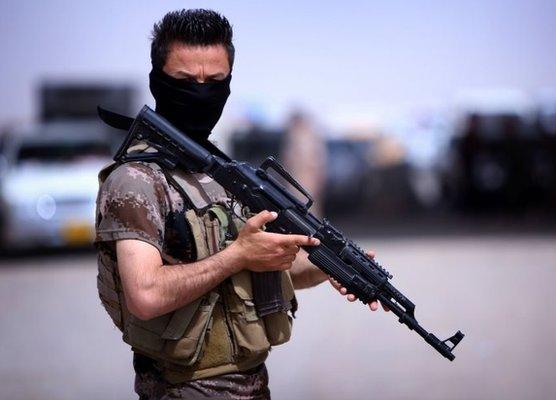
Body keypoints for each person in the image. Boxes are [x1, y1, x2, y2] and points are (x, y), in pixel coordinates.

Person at [94, 9, 384, 400]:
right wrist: (238, 255)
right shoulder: (137, 180)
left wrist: (328, 265)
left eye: (214, 81)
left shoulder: (219, 172)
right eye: (184, 81)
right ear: (157, 83)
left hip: (251, 384)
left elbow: (257, 268)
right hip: (182, 389)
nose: (200, 92)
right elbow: (145, 296)